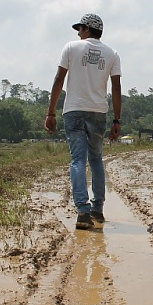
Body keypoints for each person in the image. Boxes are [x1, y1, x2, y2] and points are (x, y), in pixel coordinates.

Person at [44, 13, 122, 230]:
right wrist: (117, 119)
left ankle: (82, 211)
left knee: (78, 160)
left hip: (74, 111)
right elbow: (116, 88)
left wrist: (50, 113)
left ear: (87, 29)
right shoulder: (112, 54)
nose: (78, 33)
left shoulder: (70, 48)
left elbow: (59, 80)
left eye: (80, 29)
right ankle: (98, 208)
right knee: (96, 159)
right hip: (98, 112)